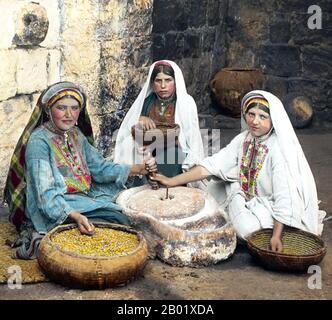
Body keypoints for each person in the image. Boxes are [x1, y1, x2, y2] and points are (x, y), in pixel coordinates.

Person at [151, 90, 325, 252]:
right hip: (244, 197)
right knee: (200, 182)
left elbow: (284, 196)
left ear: (274, 120)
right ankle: (234, 198)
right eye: (251, 114)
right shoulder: (244, 139)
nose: (255, 121)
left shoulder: (279, 150)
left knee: (246, 230)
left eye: (263, 117)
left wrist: (276, 236)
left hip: (269, 205)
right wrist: (171, 181)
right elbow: (213, 164)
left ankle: (232, 199)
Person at [3, 81, 156, 259]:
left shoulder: (76, 134)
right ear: (48, 110)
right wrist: (75, 216)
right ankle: (41, 239)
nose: (69, 114)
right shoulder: (39, 142)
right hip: (57, 205)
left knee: (134, 198)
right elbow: (45, 195)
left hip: (85, 195)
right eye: (61, 108)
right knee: (121, 220)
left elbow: (99, 167)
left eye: (74, 108)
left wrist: (138, 168)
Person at [114, 60, 204, 185]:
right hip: (147, 147)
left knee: (172, 155)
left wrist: (160, 143)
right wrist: (140, 119)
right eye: (158, 81)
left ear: (175, 82)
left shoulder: (186, 103)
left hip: (174, 146)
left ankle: (168, 185)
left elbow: (189, 137)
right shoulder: (147, 102)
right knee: (129, 146)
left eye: (168, 80)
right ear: (152, 83)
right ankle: (139, 187)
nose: (163, 86)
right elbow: (131, 127)